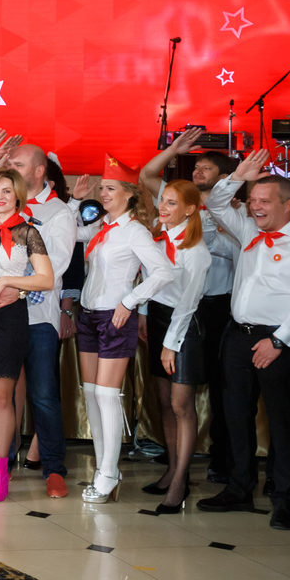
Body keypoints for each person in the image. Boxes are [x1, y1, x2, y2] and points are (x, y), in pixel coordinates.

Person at [199, 148, 290, 530]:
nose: (255, 208)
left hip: (280, 342)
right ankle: (239, 487)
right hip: (238, 336)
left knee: (283, 420)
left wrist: (278, 342)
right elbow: (219, 202)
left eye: (264, 201)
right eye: (253, 201)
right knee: (235, 415)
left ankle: (285, 498)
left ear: (288, 206)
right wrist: (239, 175)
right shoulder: (249, 231)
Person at [0, 132, 80, 498]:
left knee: (41, 395)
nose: (9, 171)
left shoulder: (58, 213)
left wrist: (15, 289)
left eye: (17, 165)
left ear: (39, 171)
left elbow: (57, 267)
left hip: (36, 317)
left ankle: (53, 468)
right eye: (7, 167)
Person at [140, 129, 238, 483]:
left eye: (207, 168)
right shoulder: (177, 201)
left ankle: (217, 462)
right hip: (169, 307)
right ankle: (173, 467)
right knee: (168, 397)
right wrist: (172, 150)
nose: (198, 171)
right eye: (195, 166)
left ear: (225, 177)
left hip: (212, 307)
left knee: (212, 390)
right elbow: (147, 176)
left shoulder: (230, 212)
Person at [74, 153, 172, 503]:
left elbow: (163, 271)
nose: (103, 193)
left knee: (105, 395)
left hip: (114, 318)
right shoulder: (102, 227)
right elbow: (68, 233)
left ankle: (109, 472)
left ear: (129, 193)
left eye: (110, 188)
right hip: (87, 314)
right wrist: (75, 200)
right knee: (90, 394)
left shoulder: (134, 232)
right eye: (102, 188)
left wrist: (131, 301)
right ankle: (104, 469)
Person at [142, 179, 212, 513]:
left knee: (181, 403)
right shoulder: (159, 239)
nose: (164, 208)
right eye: (163, 202)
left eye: (171, 203)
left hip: (184, 326)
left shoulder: (195, 250)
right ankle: (171, 467)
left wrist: (171, 344)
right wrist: (143, 313)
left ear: (189, 209)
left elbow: (188, 303)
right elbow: (148, 281)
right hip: (156, 318)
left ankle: (182, 479)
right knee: (163, 401)